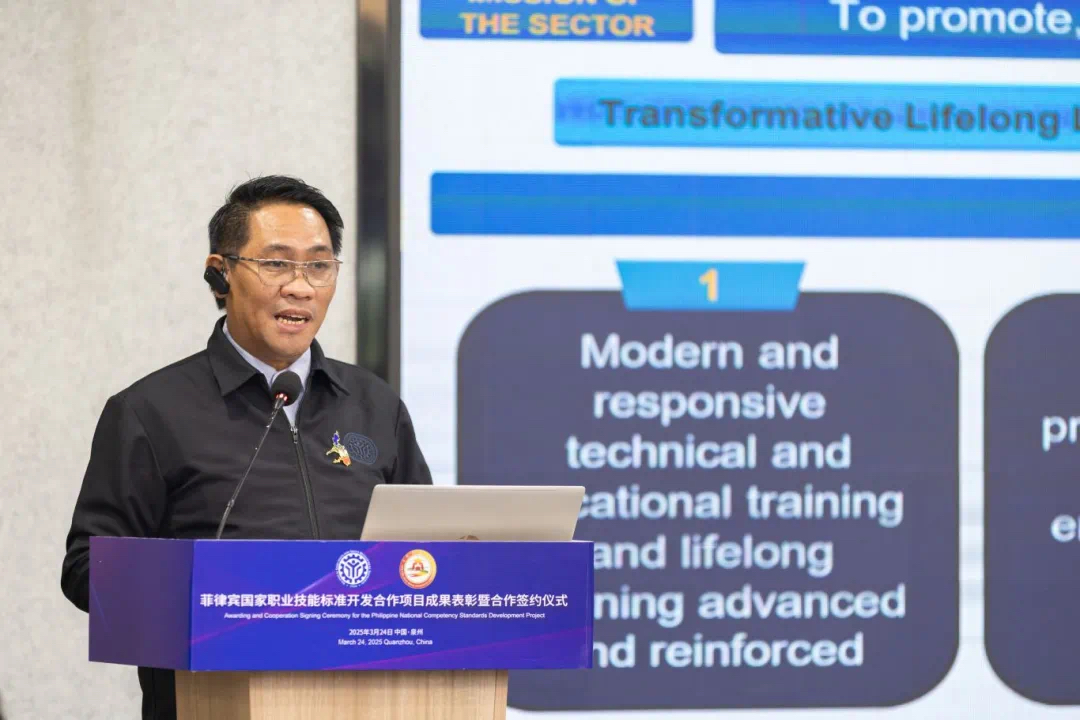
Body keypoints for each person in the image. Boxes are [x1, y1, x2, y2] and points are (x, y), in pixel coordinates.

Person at [60, 176, 432, 720]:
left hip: (372, 698)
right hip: (214, 699)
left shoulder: (375, 405)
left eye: (319, 265)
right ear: (221, 273)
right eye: (277, 263)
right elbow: (86, 569)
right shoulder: (150, 411)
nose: (300, 287)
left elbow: (430, 549)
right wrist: (213, 595)